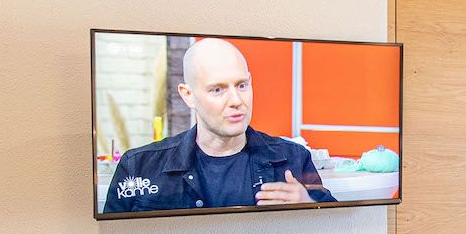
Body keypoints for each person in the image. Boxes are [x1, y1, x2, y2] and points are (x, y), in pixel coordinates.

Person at [103, 38, 336, 212]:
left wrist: (307, 205)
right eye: (218, 89)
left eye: (242, 85)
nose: (236, 101)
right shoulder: (139, 168)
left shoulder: (293, 159)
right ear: (188, 95)